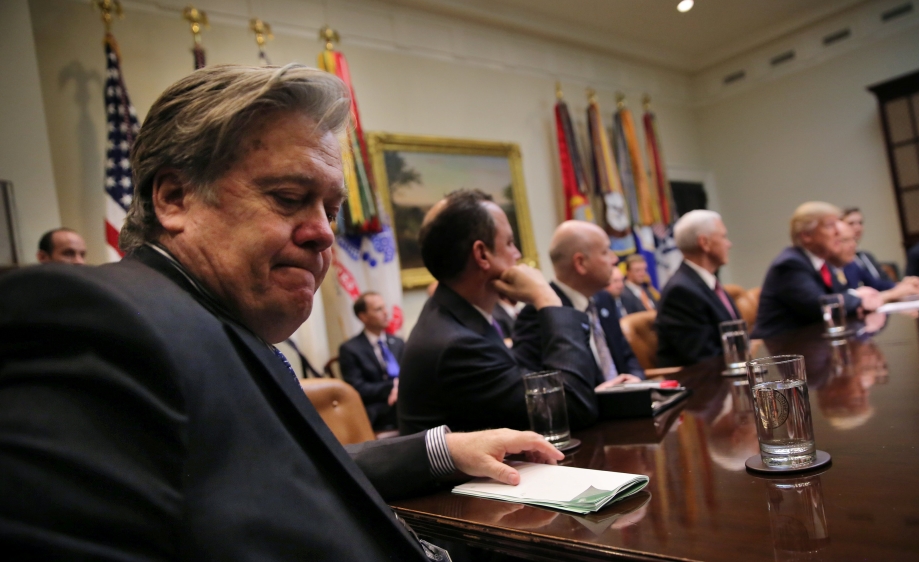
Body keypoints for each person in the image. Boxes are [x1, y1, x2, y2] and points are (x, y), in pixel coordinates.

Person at [0, 64, 563, 560]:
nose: (323, 233)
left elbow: (258, 472)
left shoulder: (207, 320)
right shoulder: (100, 321)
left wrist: (442, 449)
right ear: (173, 198)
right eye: (289, 198)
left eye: (331, 208)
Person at [398, 190, 603, 435]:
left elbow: (522, 376)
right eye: (509, 243)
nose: (517, 255)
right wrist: (546, 298)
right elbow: (572, 410)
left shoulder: (454, 316)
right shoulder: (456, 345)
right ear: (482, 255)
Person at [512, 220, 644, 386]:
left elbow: (626, 356)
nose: (614, 259)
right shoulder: (540, 313)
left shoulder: (604, 299)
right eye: (605, 252)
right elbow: (538, 384)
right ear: (580, 263)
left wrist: (636, 380)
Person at [753, 202, 882, 339]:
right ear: (806, 235)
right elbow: (820, 306)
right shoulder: (790, 264)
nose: (838, 231)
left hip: (808, 343)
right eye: (830, 225)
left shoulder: (820, 262)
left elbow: (838, 295)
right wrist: (858, 297)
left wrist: (855, 297)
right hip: (778, 350)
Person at [655, 210, 741, 367]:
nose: (729, 244)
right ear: (705, 243)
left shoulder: (706, 283)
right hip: (706, 385)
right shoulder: (681, 292)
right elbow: (703, 358)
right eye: (723, 237)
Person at [339, 291, 405, 431]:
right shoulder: (350, 349)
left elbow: (411, 373)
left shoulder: (398, 343)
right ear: (363, 316)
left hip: (403, 400)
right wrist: (393, 387)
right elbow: (357, 388)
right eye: (378, 309)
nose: (386, 313)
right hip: (377, 408)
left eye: (384, 307)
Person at [829, 220, 919, 302]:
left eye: (853, 239)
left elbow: (876, 285)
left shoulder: (852, 265)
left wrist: (904, 285)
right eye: (846, 240)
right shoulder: (826, 269)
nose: (853, 245)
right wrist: (892, 294)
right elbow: (847, 301)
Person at [841, 207, 889, 282]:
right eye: (851, 223)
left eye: (860, 223)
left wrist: (901, 285)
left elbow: (885, 282)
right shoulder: (840, 260)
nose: (857, 227)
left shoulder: (867, 256)